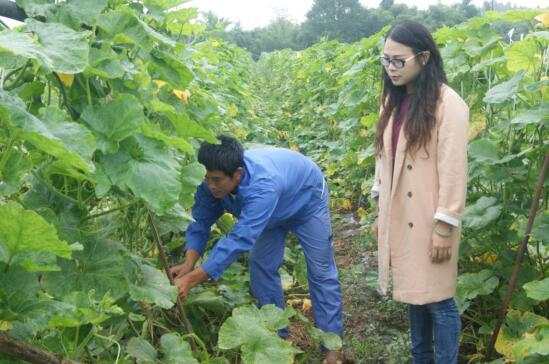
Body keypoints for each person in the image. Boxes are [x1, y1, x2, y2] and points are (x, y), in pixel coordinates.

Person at [170, 136, 343, 363]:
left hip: (306, 200)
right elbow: (200, 221)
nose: (211, 185)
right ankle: (276, 337)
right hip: (270, 214)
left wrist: (193, 279)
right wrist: (188, 263)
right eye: (207, 178)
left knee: (320, 271)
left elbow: (240, 238)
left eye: (217, 180)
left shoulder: (263, 187)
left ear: (238, 174)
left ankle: (332, 348)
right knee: (261, 267)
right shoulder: (211, 184)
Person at [370, 21, 469, 364]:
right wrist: (380, 211)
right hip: (401, 213)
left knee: (439, 300)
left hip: (430, 217)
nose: (391, 69)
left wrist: (445, 225)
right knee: (414, 294)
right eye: (386, 60)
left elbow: (454, 169)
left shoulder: (448, 104)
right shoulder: (393, 102)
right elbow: (384, 160)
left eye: (399, 61)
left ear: (424, 58)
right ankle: (420, 358)